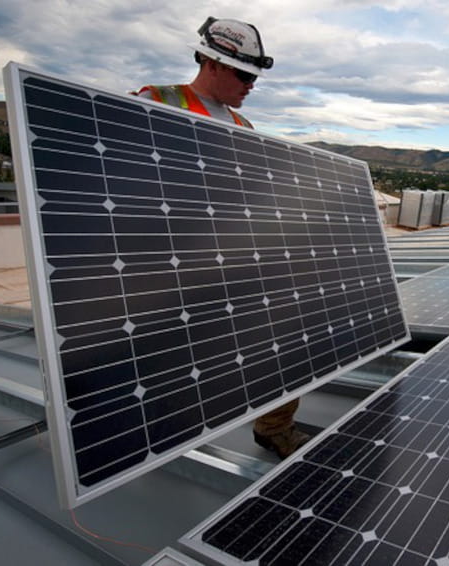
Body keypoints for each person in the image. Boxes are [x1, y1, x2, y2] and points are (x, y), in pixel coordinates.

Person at [135, 17, 310, 459]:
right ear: (212, 62)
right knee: (172, 358)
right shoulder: (155, 101)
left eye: (254, 76)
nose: (251, 85)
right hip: (168, 262)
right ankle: (150, 433)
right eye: (244, 74)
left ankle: (274, 426)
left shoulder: (242, 125)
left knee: (287, 330)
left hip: (227, 257)